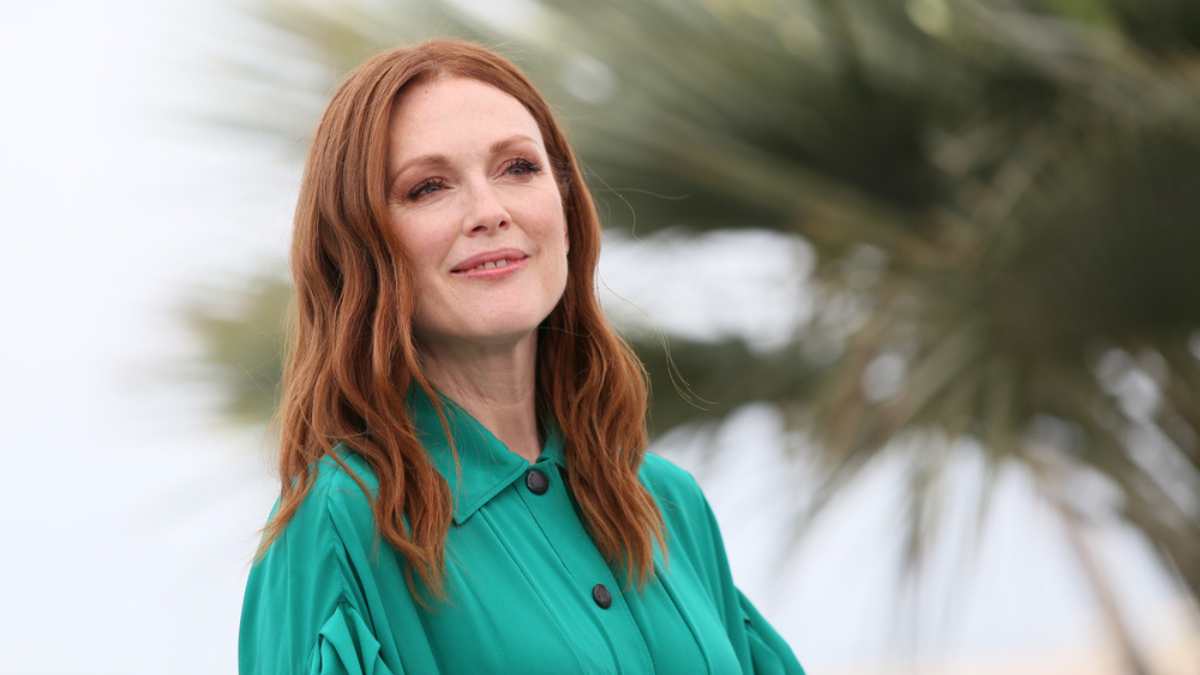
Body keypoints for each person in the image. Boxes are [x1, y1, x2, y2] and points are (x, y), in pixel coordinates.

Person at [237, 38, 805, 675]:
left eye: (518, 168)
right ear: (360, 247)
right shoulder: (337, 530)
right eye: (427, 187)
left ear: (566, 206)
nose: (489, 211)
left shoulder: (667, 505)